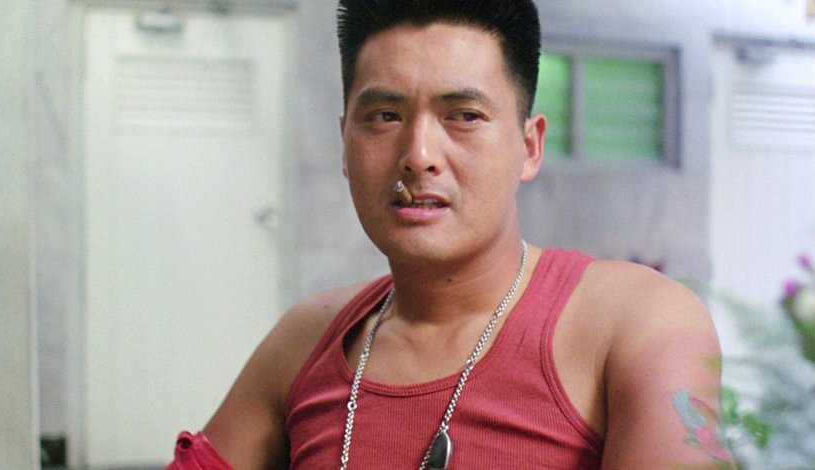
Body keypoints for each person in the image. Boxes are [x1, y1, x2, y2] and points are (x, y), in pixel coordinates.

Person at [168, 0, 735, 468]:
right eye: (384, 116)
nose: (418, 156)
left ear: (529, 147)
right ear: (345, 143)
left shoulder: (633, 322)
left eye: (463, 115)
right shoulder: (308, 341)